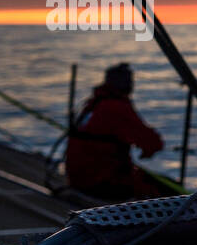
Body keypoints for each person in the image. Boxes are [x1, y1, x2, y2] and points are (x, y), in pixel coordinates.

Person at [64, 63, 165, 201]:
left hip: (78, 177)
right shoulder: (116, 107)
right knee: (163, 190)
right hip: (101, 181)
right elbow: (153, 143)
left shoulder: (93, 103)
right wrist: (147, 150)